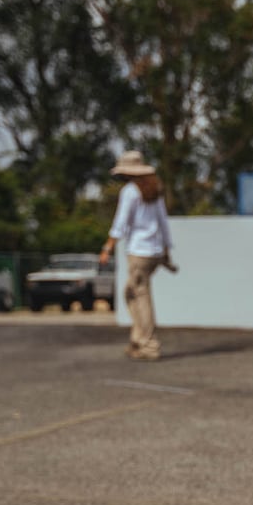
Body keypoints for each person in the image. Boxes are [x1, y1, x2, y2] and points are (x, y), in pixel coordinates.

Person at [100, 151, 176, 361]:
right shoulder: (155, 190)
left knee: (140, 296)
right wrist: (166, 250)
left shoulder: (130, 192)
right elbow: (163, 221)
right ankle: (137, 339)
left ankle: (149, 345)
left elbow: (121, 223)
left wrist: (107, 247)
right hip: (154, 252)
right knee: (131, 292)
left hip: (139, 252)